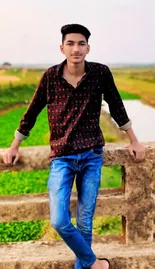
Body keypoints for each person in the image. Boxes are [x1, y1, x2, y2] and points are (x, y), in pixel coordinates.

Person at [3, 24, 145, 269]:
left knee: (85, 221)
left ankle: (84, 266)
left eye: (81, 43)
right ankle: (95, 263)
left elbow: (117, 106)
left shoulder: (100, 73)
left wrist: (133, 140)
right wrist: (15, 145)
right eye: (70, 43)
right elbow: (32, 111)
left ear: (88, 48)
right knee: (59, 220)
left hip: (92, 155)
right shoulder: (50, 76)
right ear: (62, 48)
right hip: (62, 157)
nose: (76, 48)